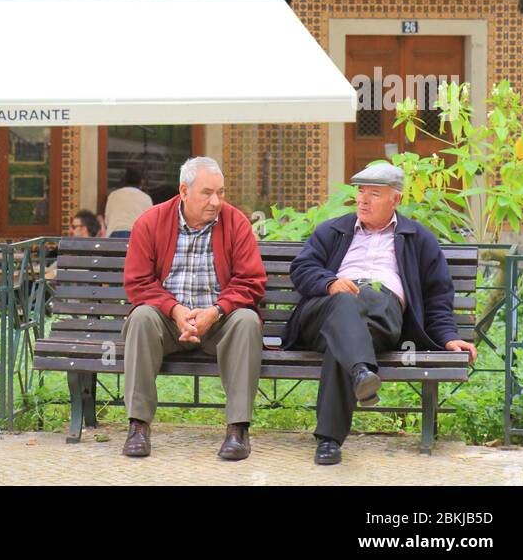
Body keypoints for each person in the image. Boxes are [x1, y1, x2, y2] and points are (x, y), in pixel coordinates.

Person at [284, 161, 478, 467]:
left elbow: (438, 295)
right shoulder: (333, 230)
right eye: (360, 191)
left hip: (381, 315)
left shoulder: (419, 239)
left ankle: (331, 437)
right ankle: (360, 372)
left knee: (346, 339)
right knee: (345, 307)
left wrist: (449, 337)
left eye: (374, 193)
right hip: (324, 313)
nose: (363, 199)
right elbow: (302, 269)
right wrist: (331, 283)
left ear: (396, 199)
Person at [121, 156, 265, 462]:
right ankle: (138, 426)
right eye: (207, 193)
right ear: (183, 191)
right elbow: (138, 283)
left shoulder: (236, 223)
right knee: (142, 317)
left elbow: (251, 281)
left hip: (217, 323)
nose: (216, 201)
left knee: (247, 320)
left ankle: (238, 429)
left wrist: (216, 310)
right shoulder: (150, 222)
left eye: (221, 192)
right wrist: (173, 310)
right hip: (168, 322)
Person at [103, 166, 152, 240]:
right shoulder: (146, 198)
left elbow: (107, 220)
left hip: (114, 236)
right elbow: (150, 224)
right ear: (141, 182)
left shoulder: (113, 195)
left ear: (123, 181)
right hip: (137, 235)